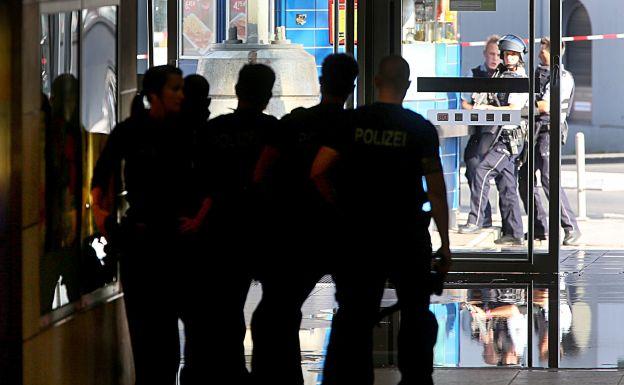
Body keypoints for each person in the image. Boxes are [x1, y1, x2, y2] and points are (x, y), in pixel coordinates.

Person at [311, 55, 452, 385]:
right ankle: (416, 379)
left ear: (375, 81)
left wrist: (339, 208)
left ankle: (351, 380)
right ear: (406, 86)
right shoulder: (419, 129)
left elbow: (317, 171)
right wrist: (445, 243)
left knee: (354, 315)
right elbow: (436, 190)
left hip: (358, 235)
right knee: (416, 312)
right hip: (407, 235)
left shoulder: (350, 123)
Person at [91, 65, 210, 385]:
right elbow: (100, 179)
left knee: (172, 339)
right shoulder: (130, 131)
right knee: (149, 338)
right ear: (154, 95)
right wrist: (102, 220)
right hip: (144, 242)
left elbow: (208, 182)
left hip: (176, 241)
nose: (181, 95)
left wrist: (198, 219)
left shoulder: (188, 130)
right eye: (174, 89)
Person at [250, 53, 359, 385]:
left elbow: (261, 173)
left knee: (277, 311)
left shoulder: (294, 123)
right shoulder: (355, 128)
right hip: (342, 232)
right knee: (352, 312)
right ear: (352, 88)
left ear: (321, 82)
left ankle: (278, 378)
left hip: (295, 231)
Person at [195, 63, 278, 385]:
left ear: (237, 90)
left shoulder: (214, 131)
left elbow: (201, 181)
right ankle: (266, 371)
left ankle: (230, 371)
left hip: (223, 231)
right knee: (274, 309)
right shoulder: (275, 131)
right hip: (265, 230)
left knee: (227, 308)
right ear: (268, 95)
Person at [459, 34, 529, 246]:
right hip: (500, 137)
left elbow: (513, 109)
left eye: (513, 55)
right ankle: (515, 232)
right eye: (506, 54)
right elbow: (482, 98)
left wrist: (490, 108)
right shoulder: (501, 75)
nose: (508, 59)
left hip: (508, 140)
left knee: (482, 171)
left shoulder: (519, 79)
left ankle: (476, 220)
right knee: (507, 185)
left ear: (520, 57)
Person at [519, 37, 581, 245]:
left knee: (548, 178)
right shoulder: (538, 74)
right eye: (540, 50)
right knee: (525, 178)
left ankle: (571, 227)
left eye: (544, 51)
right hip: (534, 130)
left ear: (557, 52)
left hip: (550, 130)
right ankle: (539, 228)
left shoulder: (562, 77)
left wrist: (525, 101)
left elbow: (544, 106)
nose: (539, 54)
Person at [461, 35, 501, 229]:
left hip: (499, 135)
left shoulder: (506, 77)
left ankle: (512, 227)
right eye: (491, 54)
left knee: (504, 179)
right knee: (471, 162)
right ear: (485, 54)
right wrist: (477, 111)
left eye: (498, 55)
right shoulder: (474, 73)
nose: (495, 58)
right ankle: (483, 216)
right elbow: (464, 102)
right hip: (479, 131)